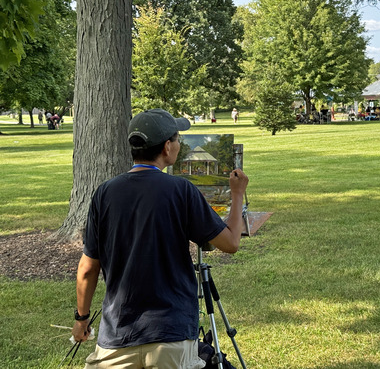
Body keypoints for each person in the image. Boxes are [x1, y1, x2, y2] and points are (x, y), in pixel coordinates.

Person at [71, 108, 249, 369]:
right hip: (172, 335)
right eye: (177, 138)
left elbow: (87, 269)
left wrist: (82, 318)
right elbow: (231, 243)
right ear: (167, 147)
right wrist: (236, 194)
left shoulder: (104, 193)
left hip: (117, 336)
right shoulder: (181, 190)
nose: (179, 144)